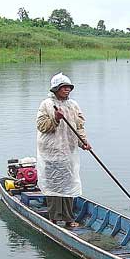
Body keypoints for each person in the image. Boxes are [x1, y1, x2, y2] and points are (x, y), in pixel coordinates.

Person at [36, 73, 92, 228]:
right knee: (54, 186)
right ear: (56, 89)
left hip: (68, 153)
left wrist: (84, 143)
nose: (67, 90)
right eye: (64, 87)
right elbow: (42, 126)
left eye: (69, 87)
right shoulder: (46, 105)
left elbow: (79, 127)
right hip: (51, 153)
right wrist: (56, 118)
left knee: (68, 186)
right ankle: (54, 219)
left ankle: (68, 218)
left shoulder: (73, 105)